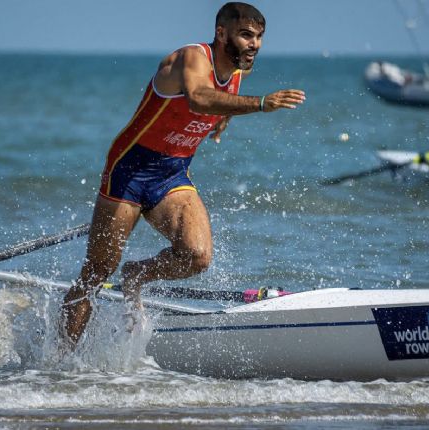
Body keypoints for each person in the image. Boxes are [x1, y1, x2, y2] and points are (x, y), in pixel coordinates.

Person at [60, 2, 306, 347]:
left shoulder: (237, 70)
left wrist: (225, 118)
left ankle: (137, 273)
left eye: (260, 37)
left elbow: (220, 99)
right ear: (221, 33)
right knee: (96, 273)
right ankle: (57, 364)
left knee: (197, 256)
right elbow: (199, 99)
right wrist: (261, 104)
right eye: (246, 35)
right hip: (129, 171)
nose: (255, 45)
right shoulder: (192, 58)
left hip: (172, 173)